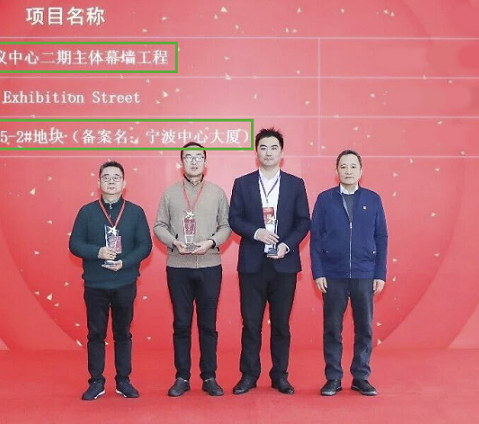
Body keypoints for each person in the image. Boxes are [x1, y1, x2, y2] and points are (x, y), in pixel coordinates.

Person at [229, 127, 310, 395]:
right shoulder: (243, 183)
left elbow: (303, 221)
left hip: (284, 264)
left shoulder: (295, 184)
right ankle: (249, 375)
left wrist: (286, 245)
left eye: (274, 148)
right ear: (256, 152)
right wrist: (256, 232)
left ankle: (280, 375)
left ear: (281, 153)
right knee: (251, 324)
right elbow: (234, 218)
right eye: (263, 147)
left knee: (281, 325)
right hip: (252, 265)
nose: (268, 152)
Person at [69, 160, 153, 401]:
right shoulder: (87, 212)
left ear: (124, 183)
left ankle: (123, 380)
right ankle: (96, 381)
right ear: (99, 183)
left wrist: (124, 263)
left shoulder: (135, 212)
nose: (111, 181)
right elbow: (74, 244)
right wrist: (98, 252)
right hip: (95, 284)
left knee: (123, 333)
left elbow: (145, 246)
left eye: (116, 177)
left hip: (125, 282)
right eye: (106, 177)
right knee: (96, 334)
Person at [153, 141, 232, 397]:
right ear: (181, 163)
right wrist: (173, 241)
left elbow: (226, 226)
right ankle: (182, 377)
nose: (194, 161)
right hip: (178, 266)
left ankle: (209, 376)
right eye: (188, 157)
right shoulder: (170, 193)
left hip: (210, 265)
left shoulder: (217, 193)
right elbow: (159, 226)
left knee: (208, 325)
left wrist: (211, 242)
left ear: (206, 162)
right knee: (181, 323)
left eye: (198, 157)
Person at [310, 149, 388, 397]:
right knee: (332, 328)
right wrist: (318, 271)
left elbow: (381, 237)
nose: (348, 171)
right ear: (336, 171)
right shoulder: (325, 199)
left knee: (364, 327)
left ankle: (361, 376)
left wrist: (380, 273)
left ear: (361, 171)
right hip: (333, 273)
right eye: (343, 166)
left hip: (365, 273)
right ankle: (333, 377)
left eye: (353, 166)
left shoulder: (373, 199)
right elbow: (315, 238)